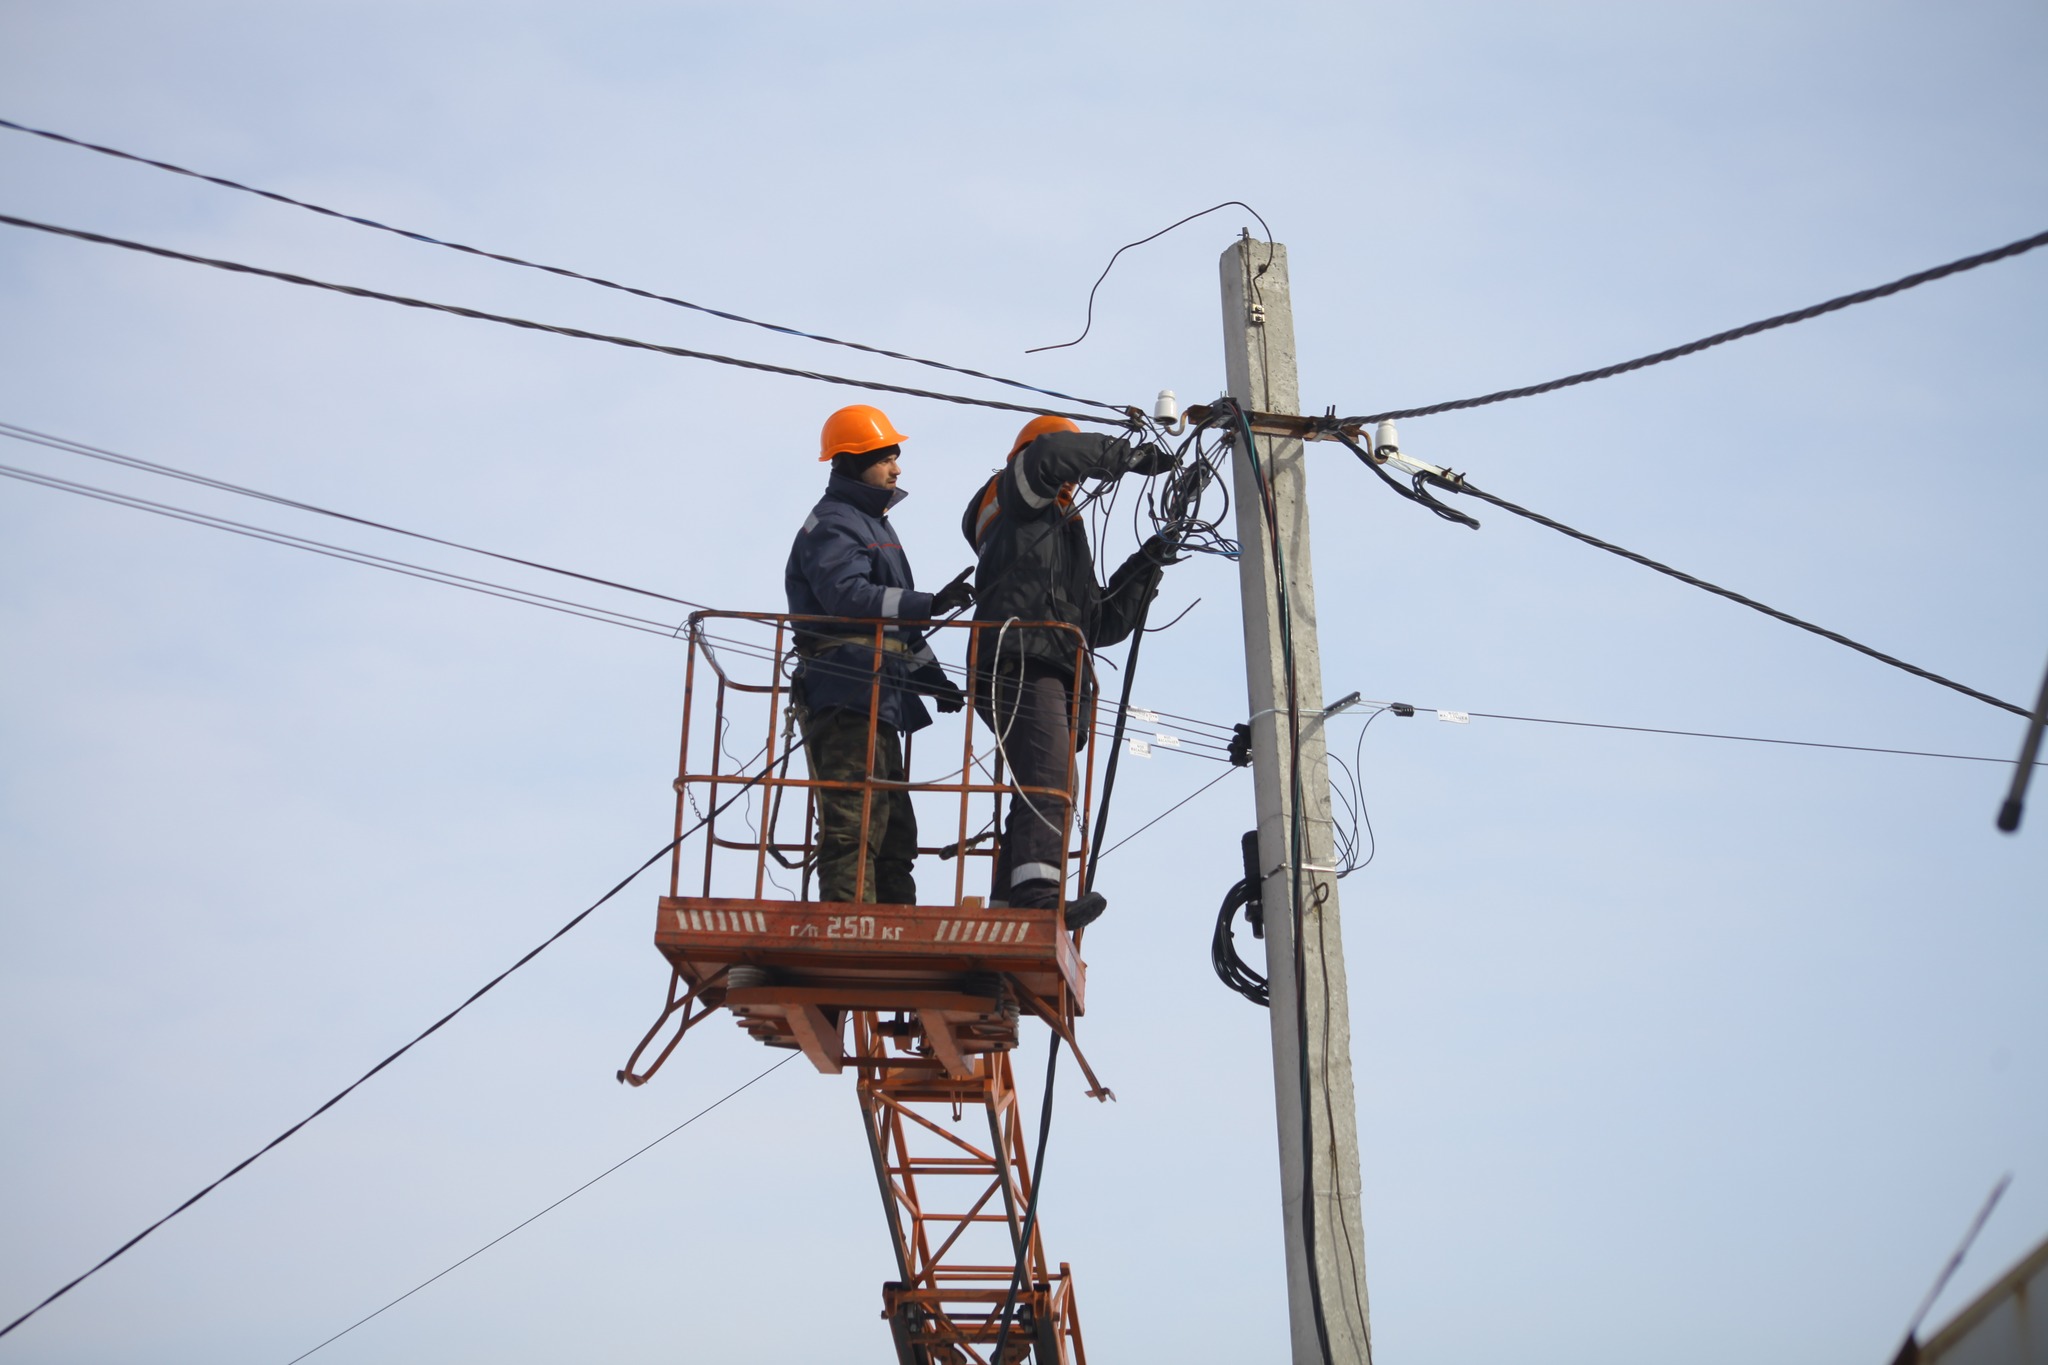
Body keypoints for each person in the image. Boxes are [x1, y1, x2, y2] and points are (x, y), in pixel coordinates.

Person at [960, 415, 1175, 927]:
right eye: (1072, 469)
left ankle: (1010, 906)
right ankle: (1037, 896)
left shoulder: (1054, 531)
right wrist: (1132, 456)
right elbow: (1050, 458)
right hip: (1023, 659)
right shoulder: (1016, 499)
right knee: (1049, 779)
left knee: (1046, 782)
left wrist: (1152, 557)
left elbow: (1098, 620)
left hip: (1047, 659)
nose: (1075, 482)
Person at [786, 405, 972, 905]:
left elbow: (894, 629)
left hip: (878, 696)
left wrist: (934, 680)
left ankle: (892, 922)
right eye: (887, 456)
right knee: (855, 821)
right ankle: (850, 924)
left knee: (893, 829)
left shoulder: (875, 526)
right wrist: (927, 603)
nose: (897, 467)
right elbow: (849, 599)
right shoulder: (833, 524)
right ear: (851, 461)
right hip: (847, 692)